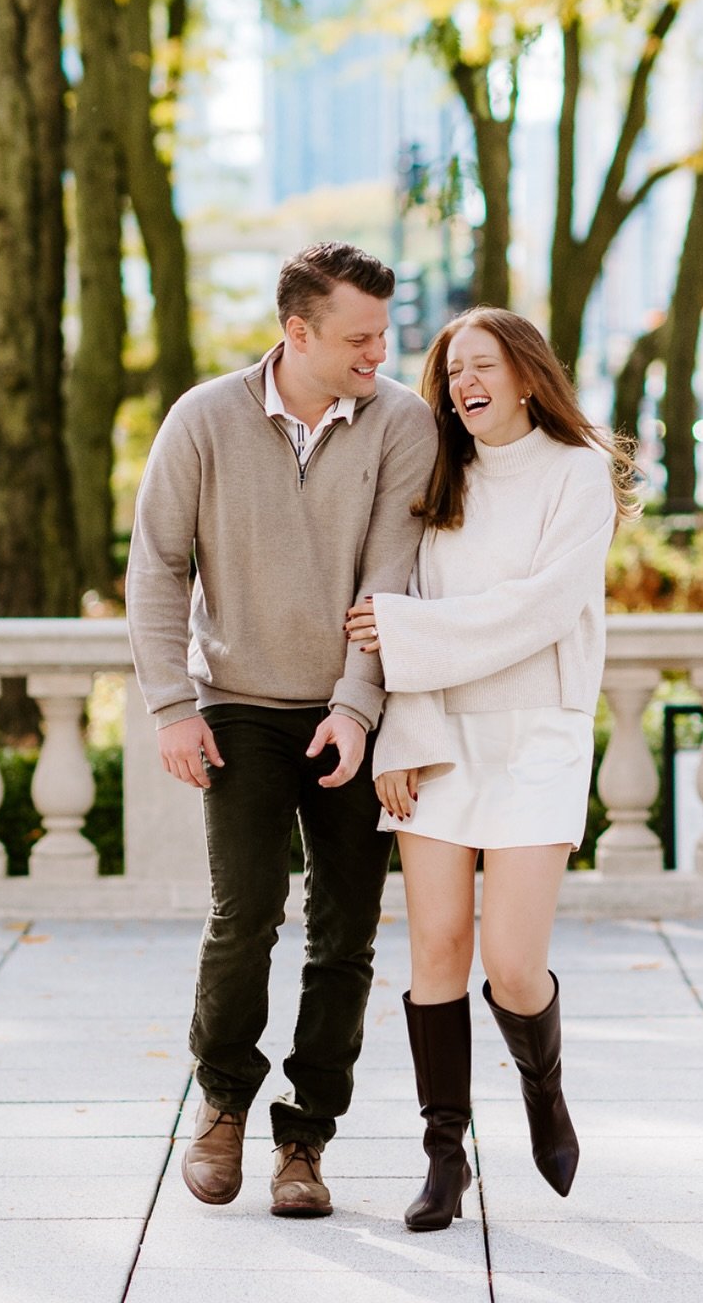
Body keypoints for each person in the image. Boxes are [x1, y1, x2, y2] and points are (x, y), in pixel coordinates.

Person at [125, 242, 438, 1220]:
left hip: (354, 707)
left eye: (383, 334)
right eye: (358, 338)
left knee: (345, 931)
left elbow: (389, 578)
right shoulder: (203, 418)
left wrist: (355, 704)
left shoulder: (402, 422)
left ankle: (306, 1139)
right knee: (246, 910)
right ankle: (222, 1103)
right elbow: (156, 566)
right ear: (296, 333)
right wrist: (173, 706)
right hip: (238, 704)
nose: (379, 353)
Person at [344, 308, 638, 1232]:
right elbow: (400, 602)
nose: (465, 383)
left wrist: (409, 631)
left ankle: (544, 1090)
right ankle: (445, 1155)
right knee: (436, 947)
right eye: (452, 369)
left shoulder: (577, 472)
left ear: (526, 375)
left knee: (513, 965)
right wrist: (402, 736)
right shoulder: (436, 472)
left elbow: (542, 609)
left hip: (539, 736)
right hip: (436, 736)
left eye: (483, 365)